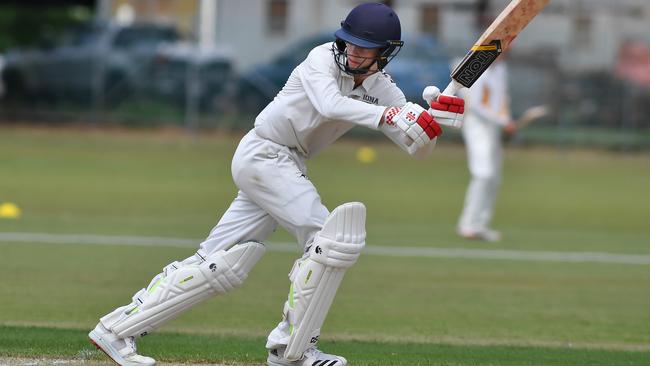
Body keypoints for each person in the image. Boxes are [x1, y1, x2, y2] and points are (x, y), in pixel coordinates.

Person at [88, 3, 464, 366]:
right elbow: (330, 105)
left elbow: (416, 149)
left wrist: (432, 121)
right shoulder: (320, 59)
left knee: (219, 262)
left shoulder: (383, 88)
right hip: (265, 154)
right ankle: (292, 350)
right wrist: (393, 115)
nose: (352, 52)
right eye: (348, 41)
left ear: (385, 53)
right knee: (329, 238)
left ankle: (116, 329)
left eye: (363, 48)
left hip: (286, 164)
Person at [456, 55, 516, 242]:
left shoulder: (501, 69)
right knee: (483, 173)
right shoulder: (475, 66)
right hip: (476, 125)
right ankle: (467, 225)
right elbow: (474, 104)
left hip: (493, 128)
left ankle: (480, 225)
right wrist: (503, 121)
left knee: (494, 178)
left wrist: (507, 119)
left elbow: (502, 98)